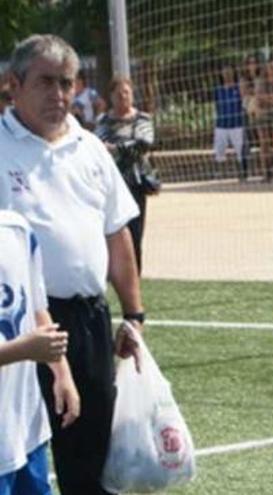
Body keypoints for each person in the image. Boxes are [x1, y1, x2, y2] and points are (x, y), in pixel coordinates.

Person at [0, 34, 146, 495]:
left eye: (66, 83)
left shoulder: (90, 148)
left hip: (88, 322)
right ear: (13, 85)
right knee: (24, 457)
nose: (58, 95)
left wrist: (134, 314)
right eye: (45, 82)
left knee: (93, 458)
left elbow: (116, 234)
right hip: (21, 329)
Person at [0, 209, 80, 495]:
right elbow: (29, 343)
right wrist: (22, 350)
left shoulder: (17, 229)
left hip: (26, 427)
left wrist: (62, 373)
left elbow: (37, 309)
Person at [96, 76, 158, 275]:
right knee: (110, 231)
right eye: (118, 93)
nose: (123, 97)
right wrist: (123, 147)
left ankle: (134, 275)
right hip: (110, 185)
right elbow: (98, 145)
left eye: (127, 92)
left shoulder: (143, 119)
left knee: (135, 232)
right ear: (111, 96)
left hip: (135, 184)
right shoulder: (104, 120)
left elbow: (143, 143)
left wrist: (114, 148)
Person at [213, 64, 248, 181]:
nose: (227, 74)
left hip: (236, 123)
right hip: (221, 124)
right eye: (224, 72)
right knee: (219, 149)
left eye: (229, 71)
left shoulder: (238, 87)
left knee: (240, 149)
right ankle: (219, 173)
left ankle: (242, 173)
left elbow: (244, 101)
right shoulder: (218, 90)